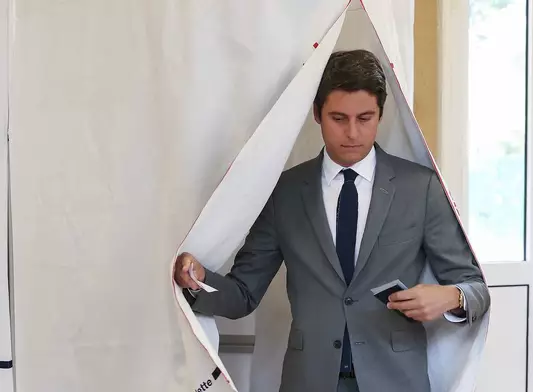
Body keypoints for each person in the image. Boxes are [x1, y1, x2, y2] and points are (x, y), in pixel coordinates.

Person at [174, 49, 490, 392]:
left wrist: (451, 297)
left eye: (365, 118)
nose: (352, 132)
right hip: (308, 381)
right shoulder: (284, 191)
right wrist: (198, 280)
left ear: (380, 114)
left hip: (397, 382)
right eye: (339, 118)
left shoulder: (421, 187)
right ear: (316, 114)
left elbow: (476, 287)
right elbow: (243, 294)